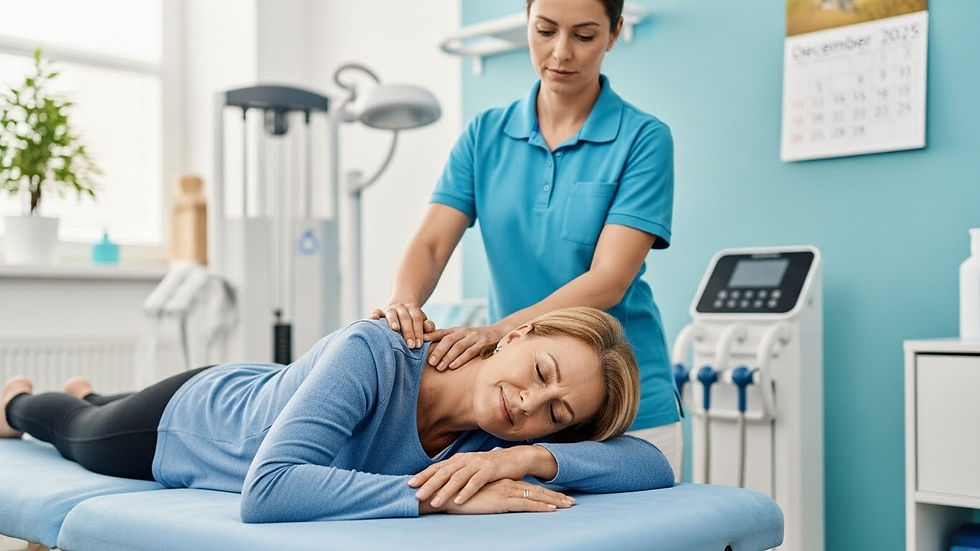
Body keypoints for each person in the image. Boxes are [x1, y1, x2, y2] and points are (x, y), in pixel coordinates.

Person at [371, 0, 681, 475]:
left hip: (622, 410)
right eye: (545, 30)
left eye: (584, 35)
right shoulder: (485, 135)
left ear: (614, 33)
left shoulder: (643, 139)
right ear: (527, 24)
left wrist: (497, 332)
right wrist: (403, 306)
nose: (561, 52)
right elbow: (433, 242)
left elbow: (609, 280)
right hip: (528, 402)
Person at [1, 307, 673, 522]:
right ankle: (19, 399)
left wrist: (521, 457)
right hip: (198, 419)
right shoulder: (375, 351)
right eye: (540, 374)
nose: (529, 403)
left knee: (95, 408)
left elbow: (651, 462)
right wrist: (443, 499)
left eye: (556, 414)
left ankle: (91, 389)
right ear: (515, 336)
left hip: (275, 392)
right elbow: (266, 492)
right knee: (78, 432)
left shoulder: (491, 437)